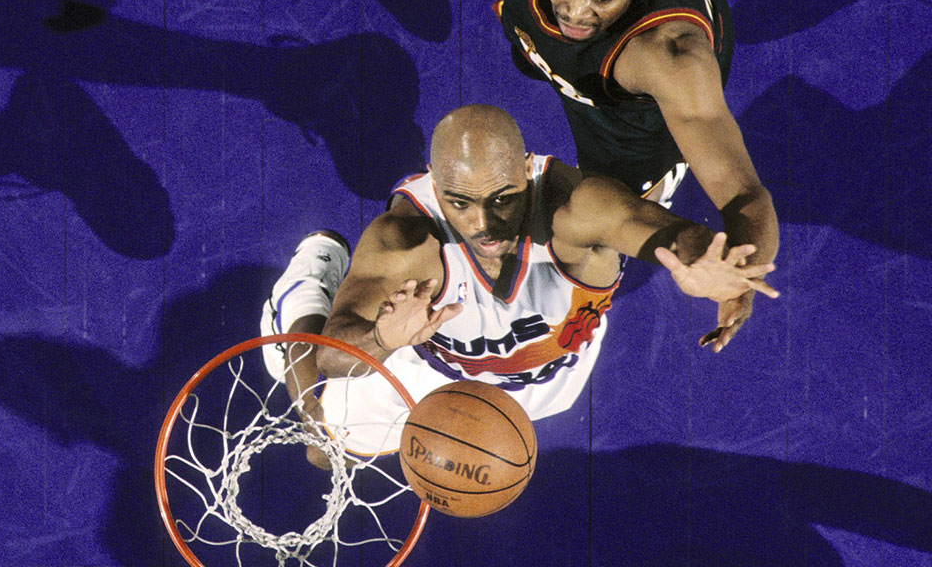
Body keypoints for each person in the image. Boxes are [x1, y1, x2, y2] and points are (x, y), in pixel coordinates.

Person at [260, 104, 777, 460]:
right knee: (321, 447)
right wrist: (382, 339)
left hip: (546, 372)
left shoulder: (577, 209)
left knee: (635, 199)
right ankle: (309, 283)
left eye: (502, 198)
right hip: (425, 365)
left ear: (527, 171)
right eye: (460, 203)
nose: (484, 224)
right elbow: (329, 354)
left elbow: (669, 233)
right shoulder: (407, 241)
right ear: (435, 187)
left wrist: (709, 267)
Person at [487, 0, 778, 351]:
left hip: (635, 126)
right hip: (578, 56)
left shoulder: (671, 62)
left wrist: (739, 276)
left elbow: (745, 195)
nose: (576, 12)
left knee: (590, 231)